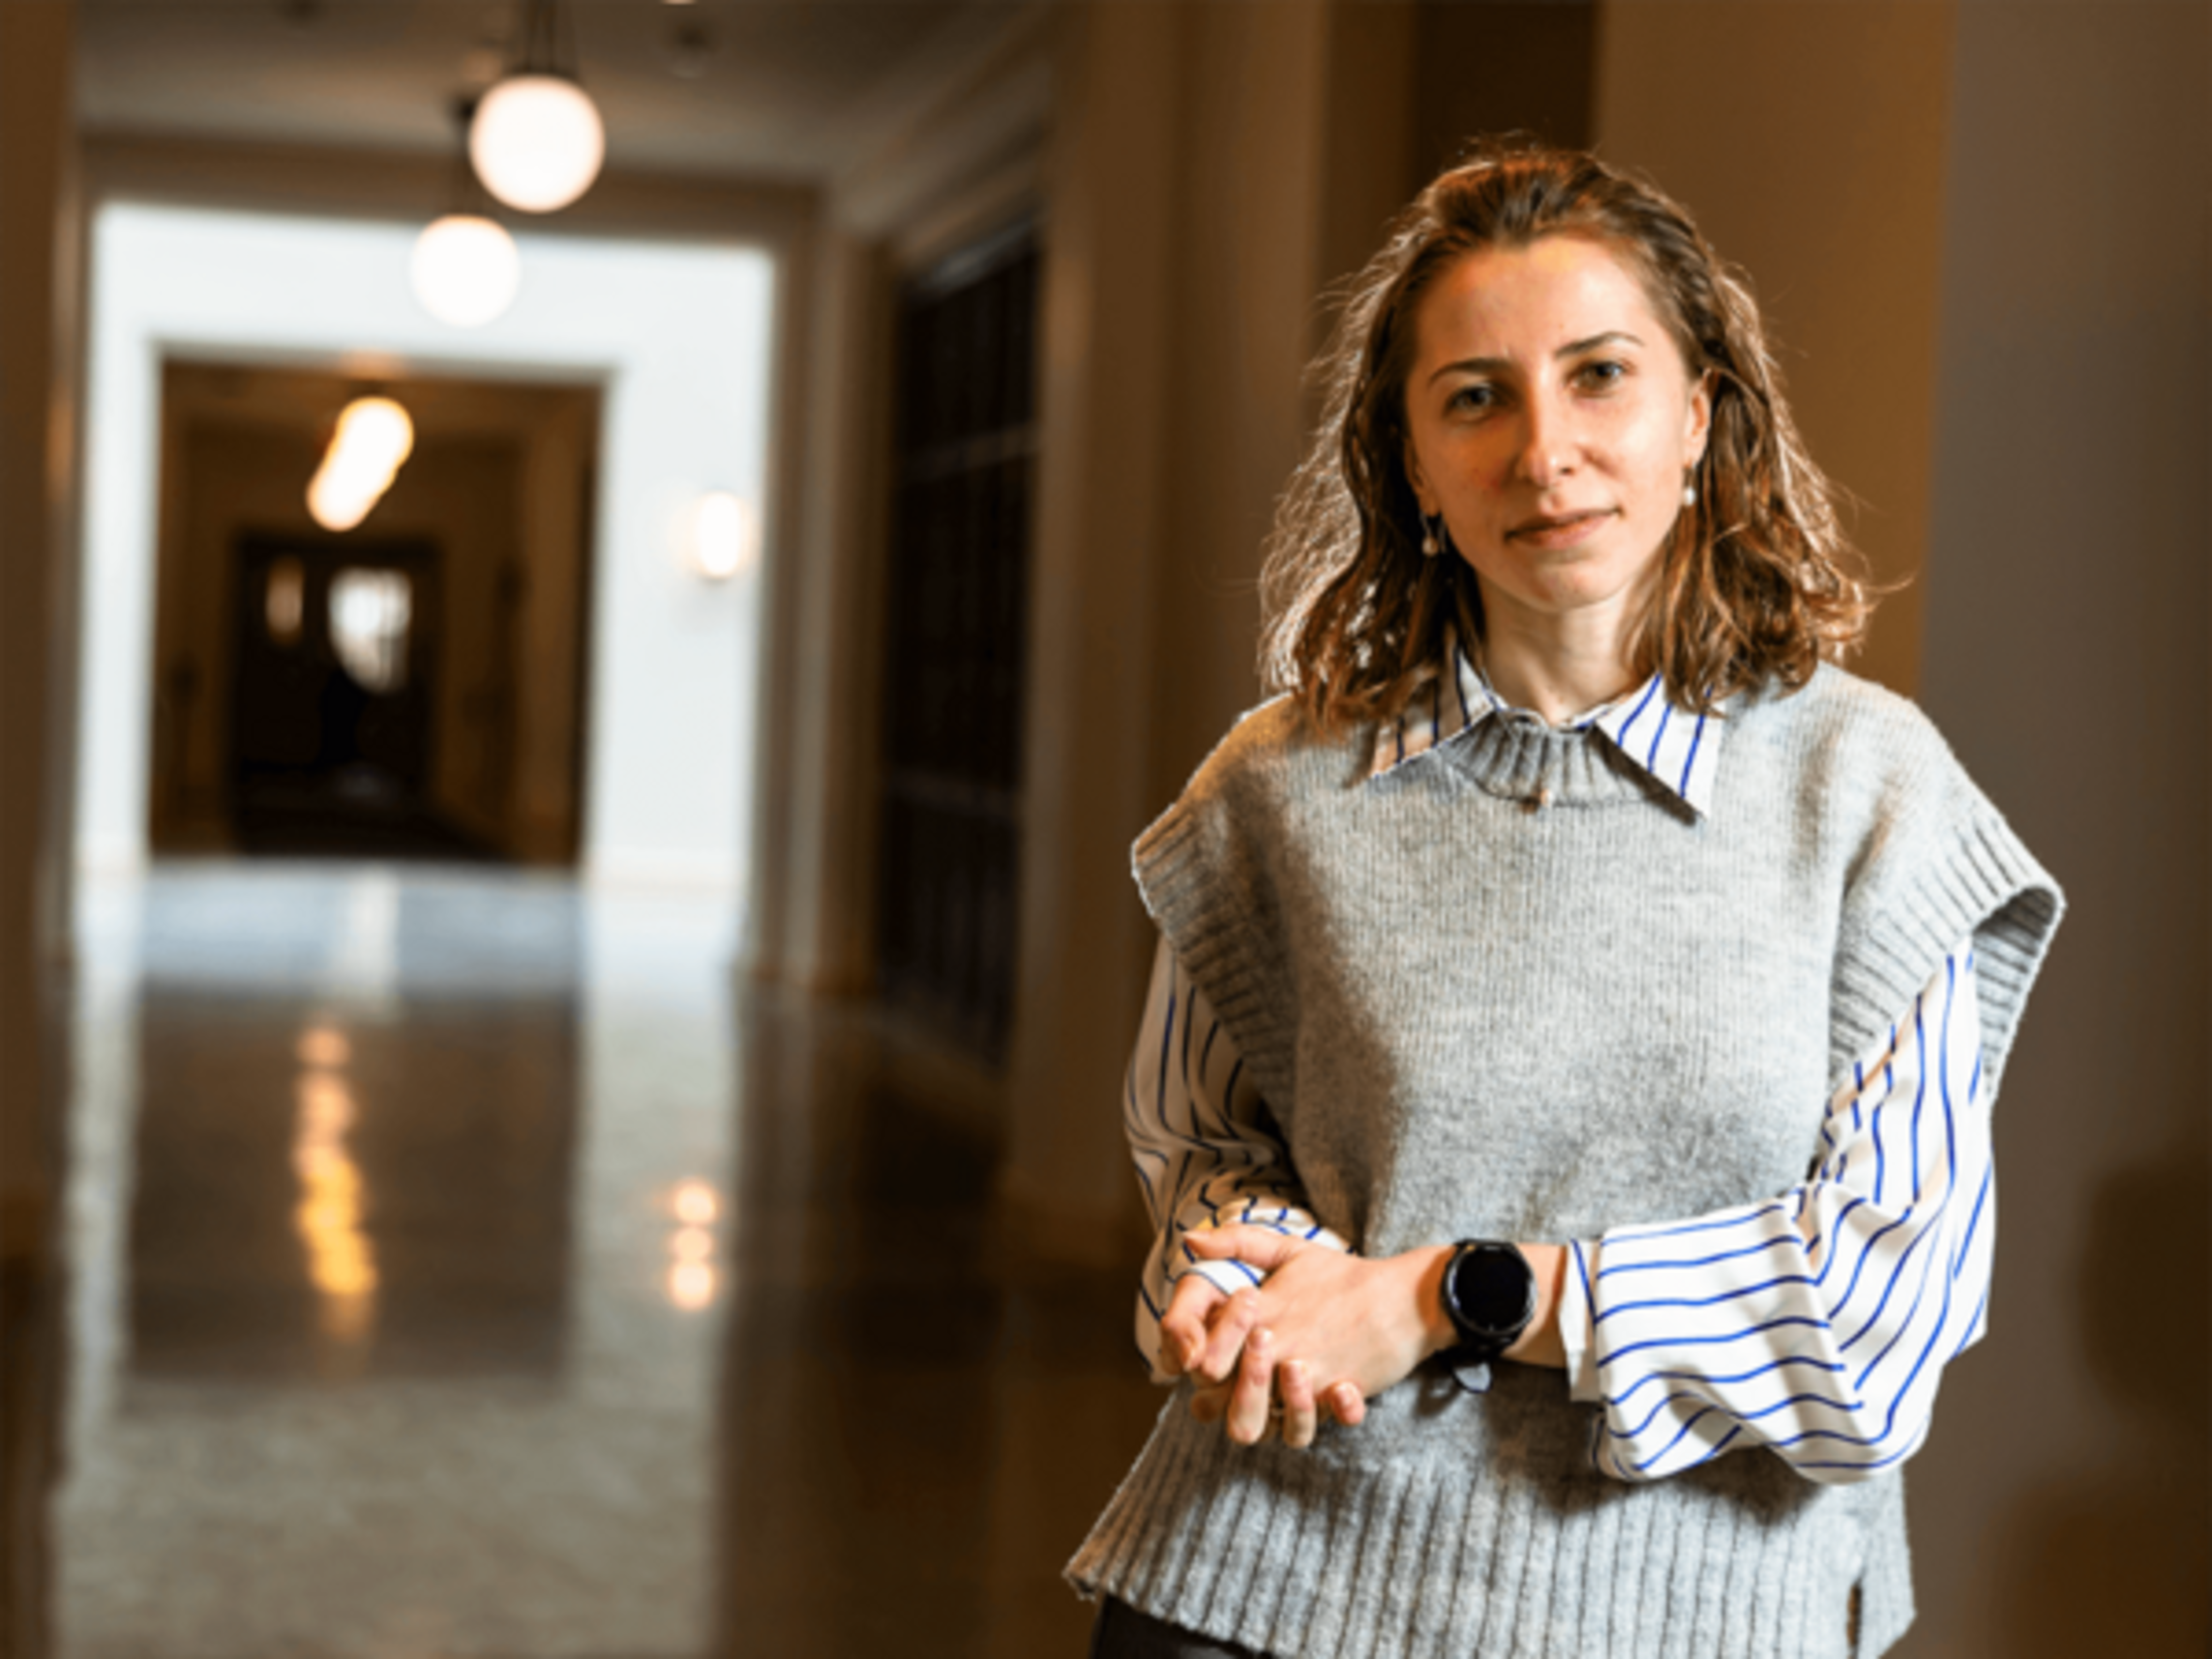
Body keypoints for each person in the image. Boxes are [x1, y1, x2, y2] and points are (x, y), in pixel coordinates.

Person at [1067, 140, 2064, 1659]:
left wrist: (1444, 1296)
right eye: (1475, 396)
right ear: (1410, 461)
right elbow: (1199, 1153)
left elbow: (1868, 1329)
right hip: (1259, 1598)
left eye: (1599, 375)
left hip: (1702, 1619)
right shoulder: (1273, 792)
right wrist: (1244, 1276)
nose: (1545, 451)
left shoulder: (1873, 795)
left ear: (1697, 416)